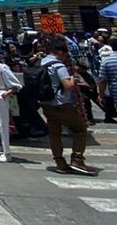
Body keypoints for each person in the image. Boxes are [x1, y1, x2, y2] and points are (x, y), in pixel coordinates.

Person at [39, 37, 97, 175]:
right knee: (80, 129)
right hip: (62, 103)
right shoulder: (59, 65)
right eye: (65, 54)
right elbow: (68, 86)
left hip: (46, 104)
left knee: (54, 134)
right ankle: (77, 159)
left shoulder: (41, 62)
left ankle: (60, 162)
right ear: (59, 52)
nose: (66, 57)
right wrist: (73, 78)